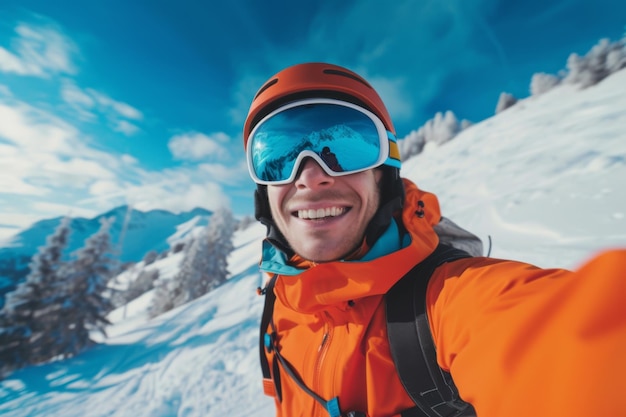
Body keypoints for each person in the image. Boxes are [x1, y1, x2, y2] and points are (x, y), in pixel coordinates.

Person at [242, 62, 626, 417]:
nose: (310, 176)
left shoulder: (445, 301)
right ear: (264, 192)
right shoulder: (280, 295)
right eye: (276, 156)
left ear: (383, 173)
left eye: (345, 152)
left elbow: (562, 343)